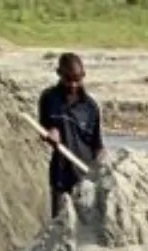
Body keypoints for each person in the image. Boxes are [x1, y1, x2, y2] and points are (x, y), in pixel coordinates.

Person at [37, 52, 104, 219]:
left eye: (78, 79)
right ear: (59, 74)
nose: (73, 84)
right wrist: (50, 132)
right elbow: (43, 128)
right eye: (69, 79)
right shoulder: (48, 99)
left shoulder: (90, 107)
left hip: (85, 177)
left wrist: (101, 166)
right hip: (60, 175)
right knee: (59, 224)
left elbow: (98, 145)